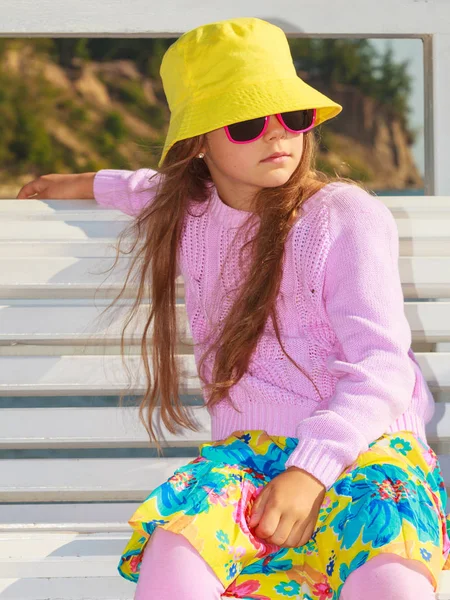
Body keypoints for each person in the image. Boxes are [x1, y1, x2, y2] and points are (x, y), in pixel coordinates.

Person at [17, 16, 450, 600]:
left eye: (292, 116)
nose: (278, 136)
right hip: (249, 456)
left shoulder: (344, 216)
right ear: (199, 141)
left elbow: (383, 366)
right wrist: (81, 182)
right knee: (173, 557)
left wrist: (310, 470)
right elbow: (149, 186)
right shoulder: (190, 210)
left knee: (391, 580)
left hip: (369, 447)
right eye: (248, 122)